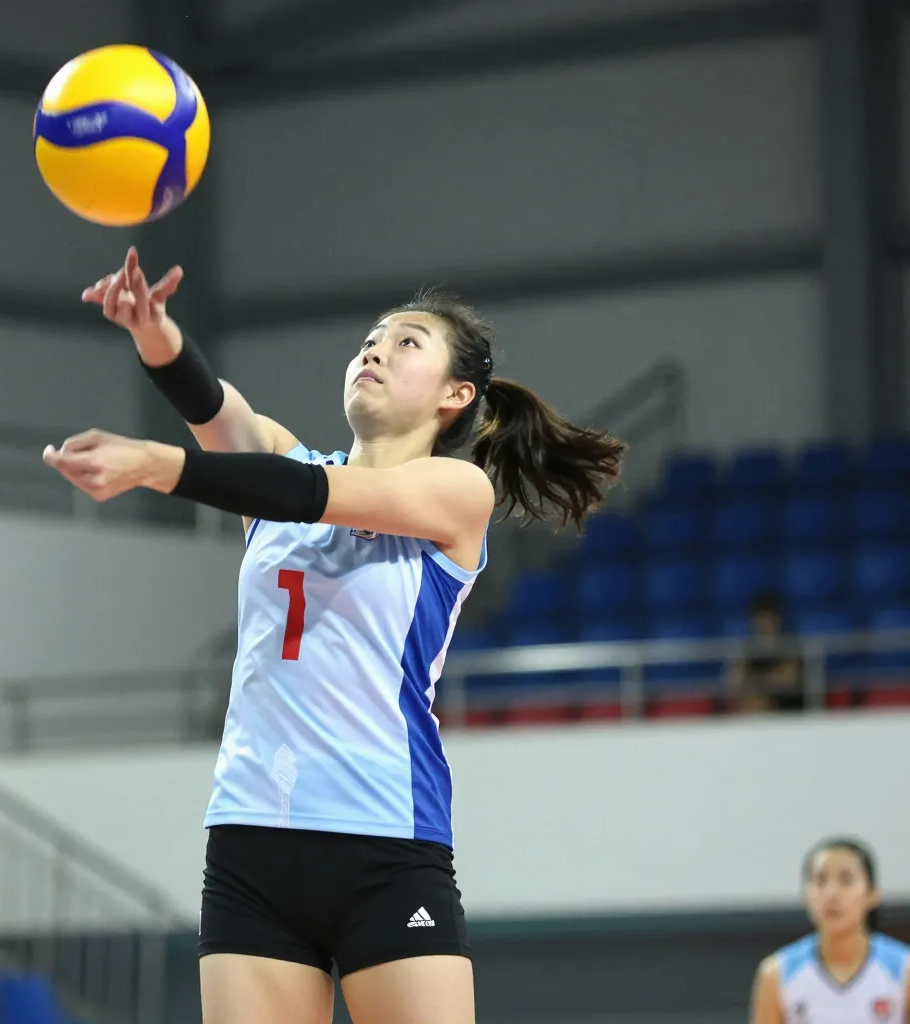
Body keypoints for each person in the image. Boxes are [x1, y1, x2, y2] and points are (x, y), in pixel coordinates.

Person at [46, 247, 624, 1024]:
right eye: (369, 340)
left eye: (406, 341)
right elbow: (218, 410)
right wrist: (154, 334)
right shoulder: (284, 466)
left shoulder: (455, 491)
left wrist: (158, 465)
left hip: (385, 841)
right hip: (252, 839)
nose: (375, 349)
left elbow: (304, 492)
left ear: (457, 394)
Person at [751, 837, 909, 1024]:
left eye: (846, 880)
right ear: (806, 895)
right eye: (820, 880)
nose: (831, 893)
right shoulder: (776, 974)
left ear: (872, 894)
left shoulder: (903, 970)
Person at [726, 592, 804, 714]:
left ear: (777, 620)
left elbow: (788, 679)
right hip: (756, 711)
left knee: (755, 696)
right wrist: (768, 679)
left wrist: (755, 681)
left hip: (788, 711)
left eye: (769, 619)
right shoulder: (746, 650)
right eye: (762, 619)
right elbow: (735, 680)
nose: (765, 624)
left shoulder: (790, 646)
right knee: (750, 699)